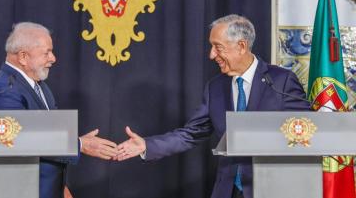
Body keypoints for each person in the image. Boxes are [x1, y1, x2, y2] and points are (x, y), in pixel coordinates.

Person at [116, 14, 311, 198]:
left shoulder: (281, 82)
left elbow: (305, 132)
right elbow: (191, 133)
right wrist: (146, 145)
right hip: (228, 191)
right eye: (211, 47)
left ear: (241, 46)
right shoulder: (216, 87)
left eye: (218, 47)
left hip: (271, 189)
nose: (211, 55)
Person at [0, 22, 118, 198]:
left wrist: (61, 188)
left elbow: (48, 139)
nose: (53, 58)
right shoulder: (2, 90)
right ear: (23, 57)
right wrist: (80, 145)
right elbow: (17, 141)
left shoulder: (39, 86)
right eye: (47, 53)